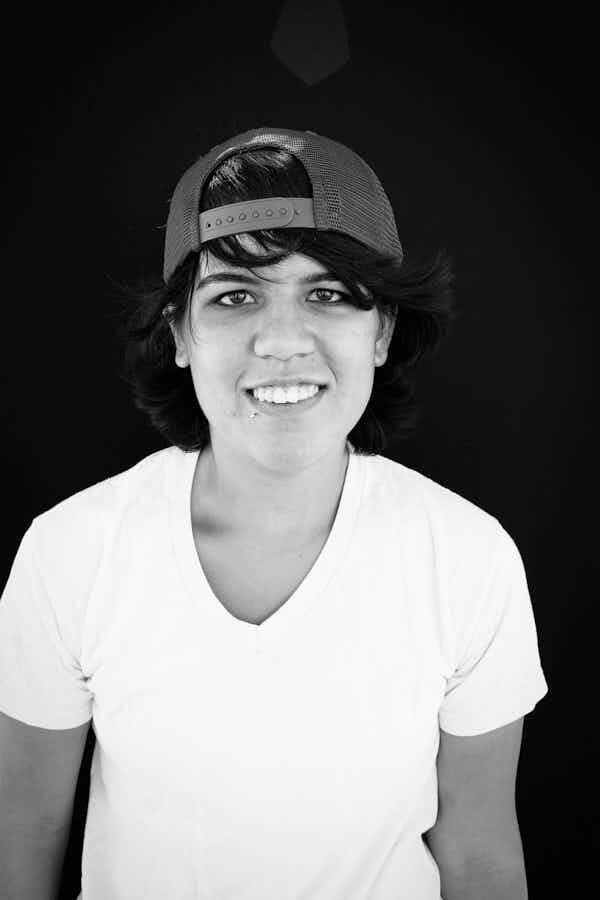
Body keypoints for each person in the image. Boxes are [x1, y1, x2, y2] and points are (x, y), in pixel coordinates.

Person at [0, 126, 548, 900]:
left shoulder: (468, 559)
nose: (283, 341)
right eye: (235, 296)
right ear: (180, 332)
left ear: (383, 330)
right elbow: (22, 836)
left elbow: (480, 851)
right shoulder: (72, 551)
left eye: (328, 294)